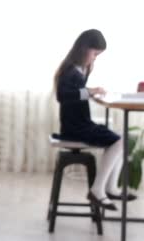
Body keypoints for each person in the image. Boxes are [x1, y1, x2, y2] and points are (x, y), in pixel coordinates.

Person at [54, 29, 137, 210]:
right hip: (74, 127)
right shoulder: (70, 69)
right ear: (84, 49)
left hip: (81, 122)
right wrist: (90, 92)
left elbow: (77, 92)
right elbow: (63, 96)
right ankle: (98, 189)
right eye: (95, 54)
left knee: (122, 139)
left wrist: (91, 90)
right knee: (120, 141)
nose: (95, 58)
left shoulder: (80, 69)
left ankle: (110, 187)